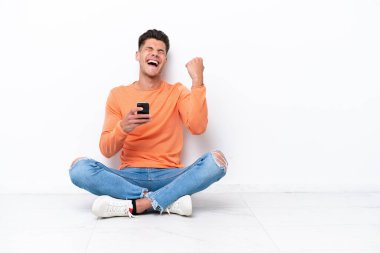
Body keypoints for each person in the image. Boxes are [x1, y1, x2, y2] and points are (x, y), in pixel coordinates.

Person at [69, 29, 228, 218]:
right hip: (130, 177)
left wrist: (198, 82)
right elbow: (106, 149)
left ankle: (138, 204)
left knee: (217, 162)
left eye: (161, 52)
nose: (155, 53)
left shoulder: (177, 92)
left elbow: (198, 127)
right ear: (138, 55)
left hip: (170, 176)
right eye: (149, 49)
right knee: (79, 168)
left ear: (165, 61)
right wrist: (123, 128)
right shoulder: (118, 94)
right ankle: (165, 201)